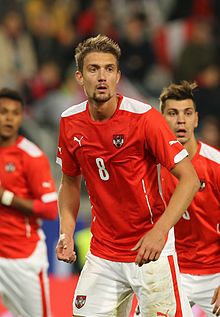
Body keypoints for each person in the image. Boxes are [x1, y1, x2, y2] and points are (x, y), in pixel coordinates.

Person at [55, 34, 200, 317]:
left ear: (118, 76)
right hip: (103, 253)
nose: (102, 77)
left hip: (149, 250)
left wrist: (160, 232)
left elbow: (190, 179)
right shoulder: (69, 122)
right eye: (93, 69)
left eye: (109, 69)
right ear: (79, 77)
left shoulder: (144, 118)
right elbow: (70, 181)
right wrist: (66, 231)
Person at [159, 81, 220, 317]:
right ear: (161, 119)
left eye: (187, 113)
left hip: (214, 272)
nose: (181, 120)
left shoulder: (215, 165)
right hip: (171, 271)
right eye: (172, 114)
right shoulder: (151, 168)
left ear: (196, 119)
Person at [0, 88, 58, 317]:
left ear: (21, 117)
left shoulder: (30, 156)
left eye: (14, 113)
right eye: (3, 112)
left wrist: (6, 197)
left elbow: (50, 210)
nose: (9, 118)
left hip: (21, 258)